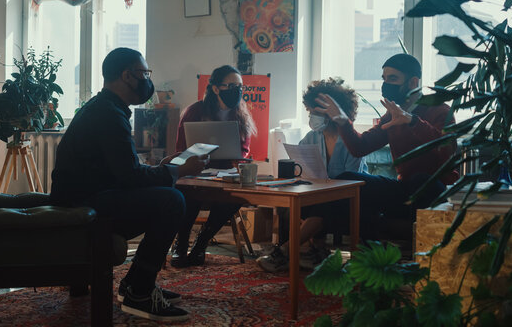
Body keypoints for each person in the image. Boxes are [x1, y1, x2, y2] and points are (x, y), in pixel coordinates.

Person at [260, 53, 459, 273]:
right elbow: (360, 147)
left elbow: (446, 150)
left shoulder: (440, 110)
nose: (385, 84)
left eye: (392, 79)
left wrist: (412, 122)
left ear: (413, 82)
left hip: (436, 189)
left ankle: (293, 251)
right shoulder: (391, 116)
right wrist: (343, 121)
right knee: (349, 183)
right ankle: (367, 260)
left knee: (422, 180)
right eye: (383, 78)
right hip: (404, 189)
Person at [50, 47, 208, 322]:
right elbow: (129, 177)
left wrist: (163, 169)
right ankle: (139, 292)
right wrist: (177, 171)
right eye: (144, 73)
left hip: (85, 197)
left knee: (167, 194)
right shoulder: (110, 114)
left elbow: (121, 170)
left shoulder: (104, 107)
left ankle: (135, 283)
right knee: (172, 200)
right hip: (83, 206)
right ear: (127, 75)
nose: (148, 79)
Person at [257, 77, 367, 272]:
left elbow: (353, 181)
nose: (312, 117)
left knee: (323, 206)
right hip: (320, 198)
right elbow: (303, 171)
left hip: (350, 201)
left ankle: (284, 252)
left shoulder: (351, 140)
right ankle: (315, 251)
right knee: (299, 202)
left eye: (316, 112)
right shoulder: (311, 137)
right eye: (310, 112)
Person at [171, 65, 257, 268]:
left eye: (240, 86)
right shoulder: (195, 111)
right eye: (231, 85)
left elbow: (244, 149)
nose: (237, 90)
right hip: (196, 171)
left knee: (236, 197)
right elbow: (181, 147)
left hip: (226, 174)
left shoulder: (241, 114)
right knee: (190, 193)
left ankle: (202, 243)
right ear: (216, 88)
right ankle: (181, 244)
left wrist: (239, 160)